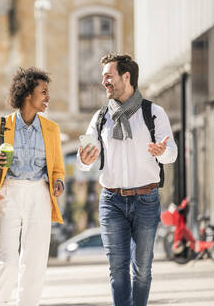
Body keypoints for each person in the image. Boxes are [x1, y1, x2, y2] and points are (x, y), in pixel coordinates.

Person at [76, 54, 177, 306]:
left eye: (108, 76)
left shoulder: (154, 113)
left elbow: (171, 153)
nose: (104, 82)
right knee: (118, 270)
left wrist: (162, 151)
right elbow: (84, 161)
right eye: (103, 77)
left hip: (146, 199)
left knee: (142, 269)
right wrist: (84, 158)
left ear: (126, 76)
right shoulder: (100, 118)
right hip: (111, 202)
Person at [0, 67, 65, 306]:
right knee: (8, 260)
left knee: (35, 260)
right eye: (44, 92)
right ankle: (1, 302)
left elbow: (57, 169)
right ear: (28, 94)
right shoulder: (1, 126)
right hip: (9, 193)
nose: (48, 97)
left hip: (40, 194)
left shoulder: (51, 129)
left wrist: (58, 183)